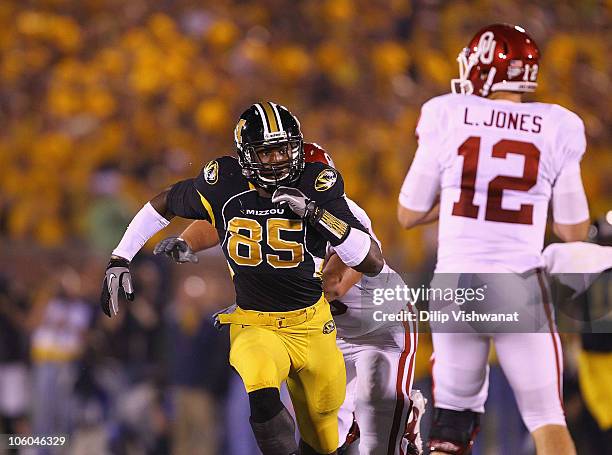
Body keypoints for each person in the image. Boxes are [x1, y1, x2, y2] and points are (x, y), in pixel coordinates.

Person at [100, 102, 384, 455]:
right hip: (257, 324)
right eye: (269, 153)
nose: (281, 161)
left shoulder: (323, 193)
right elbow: (184, 206)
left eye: (286, 151)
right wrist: (122, 255)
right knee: (261, 396)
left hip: (323, 326)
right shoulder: (226, 181)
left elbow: (366, 263)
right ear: (248, 156)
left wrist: (315, 213)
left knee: (326, 439)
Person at [156, 143, 425, 455]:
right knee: (324, 442)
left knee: (379, 442)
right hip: (327, 332)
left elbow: (335, 284)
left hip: (380, 328)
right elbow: (222, 218)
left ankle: (404, 418)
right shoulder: (272, 206)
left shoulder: (345, 217)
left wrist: (260, 303)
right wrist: (185, 240)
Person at [397, 24, 590, 455]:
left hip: (454, 285)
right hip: (516, 283)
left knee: (450, 425)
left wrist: (458, 195)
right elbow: (574, 230)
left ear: (485, 64)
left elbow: (408, 213)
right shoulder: (557, 124)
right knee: (545, 419)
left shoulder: (447, 113)